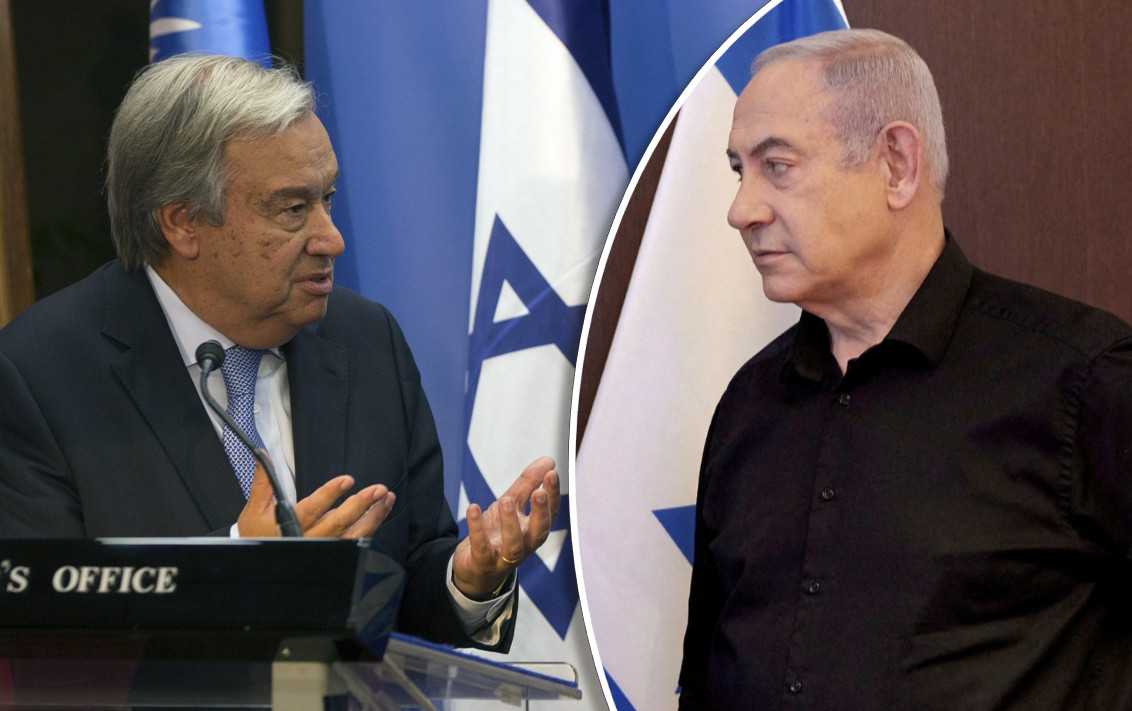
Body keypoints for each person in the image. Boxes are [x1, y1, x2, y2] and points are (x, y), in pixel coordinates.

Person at [0, 54, 560, 651]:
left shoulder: (368, 341)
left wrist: (466, 580)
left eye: (327, 200)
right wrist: (241, 560)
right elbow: (39, 630)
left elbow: (404, 583)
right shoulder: (38, 374)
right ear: (182, 223)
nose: (331, 239)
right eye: (293, 209)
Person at [678, 28, 1132, 709]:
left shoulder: (1085, 383)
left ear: (895, 164)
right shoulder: (748, 404)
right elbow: (706, 678)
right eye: (740, 171)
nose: (741, 210)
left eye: (778, 165)